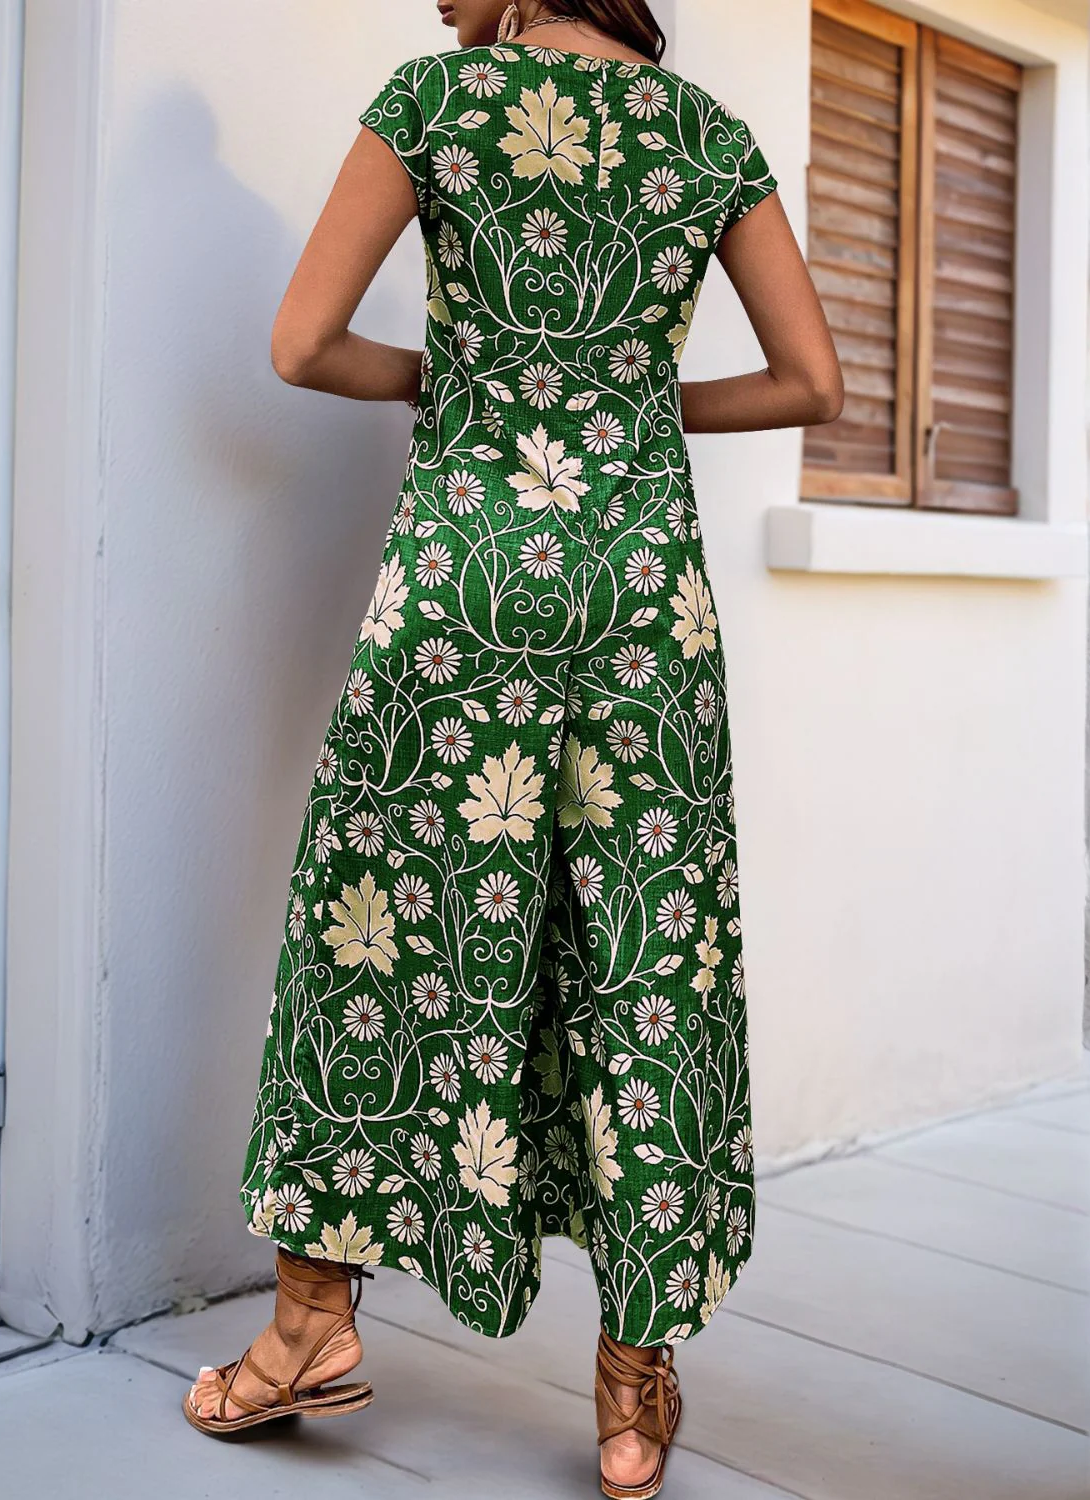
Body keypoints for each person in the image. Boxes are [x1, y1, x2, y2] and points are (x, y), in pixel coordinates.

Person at [183, 3, 843, 1495]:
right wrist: (628, 405)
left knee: (384, 922)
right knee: (646, 945)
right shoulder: (707, 136)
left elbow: (301, 344)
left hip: (465, 575)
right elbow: (815, 385)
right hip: (638, 591)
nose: (433, 1)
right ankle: (629, 1400)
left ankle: (306, 1330)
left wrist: (465, 380)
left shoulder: (437, 99)